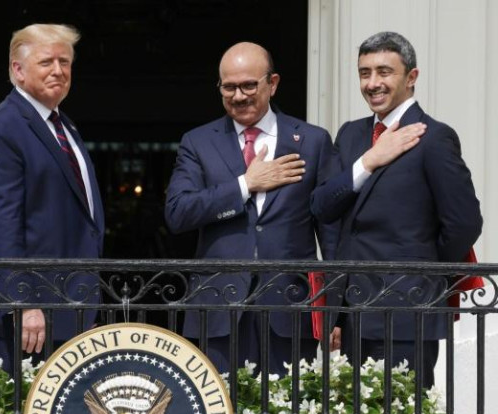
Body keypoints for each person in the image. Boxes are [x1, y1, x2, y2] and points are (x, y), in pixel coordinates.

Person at [311, 31, 482, 387]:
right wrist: (369, 161)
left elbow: (463, 223)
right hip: (352, 309)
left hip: (407, 310)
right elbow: (323, 206)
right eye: (364, 72)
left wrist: (420, 272)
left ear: (411, 77)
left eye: (384, 72)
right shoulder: (352, 135)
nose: (372, 83)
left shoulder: (434, 137)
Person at [165, 42, 339, 375]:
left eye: (249, 85)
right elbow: (177, 212)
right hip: (217, 312)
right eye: (228, 87)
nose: (239, 95)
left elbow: (330, 231)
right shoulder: (198, 142)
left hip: (290, 309)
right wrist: (245, 184)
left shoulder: (313, 141)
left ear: (272, 83)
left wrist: (333, 311)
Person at [0, 24, 104, 369]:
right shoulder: (1, 127)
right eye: (46, 62)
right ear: (18, 69)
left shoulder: (63, 125)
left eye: (65, 62)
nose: (58, 71)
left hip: (71, 310)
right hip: (31, 321)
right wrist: (22, 302)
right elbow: (0, 226)